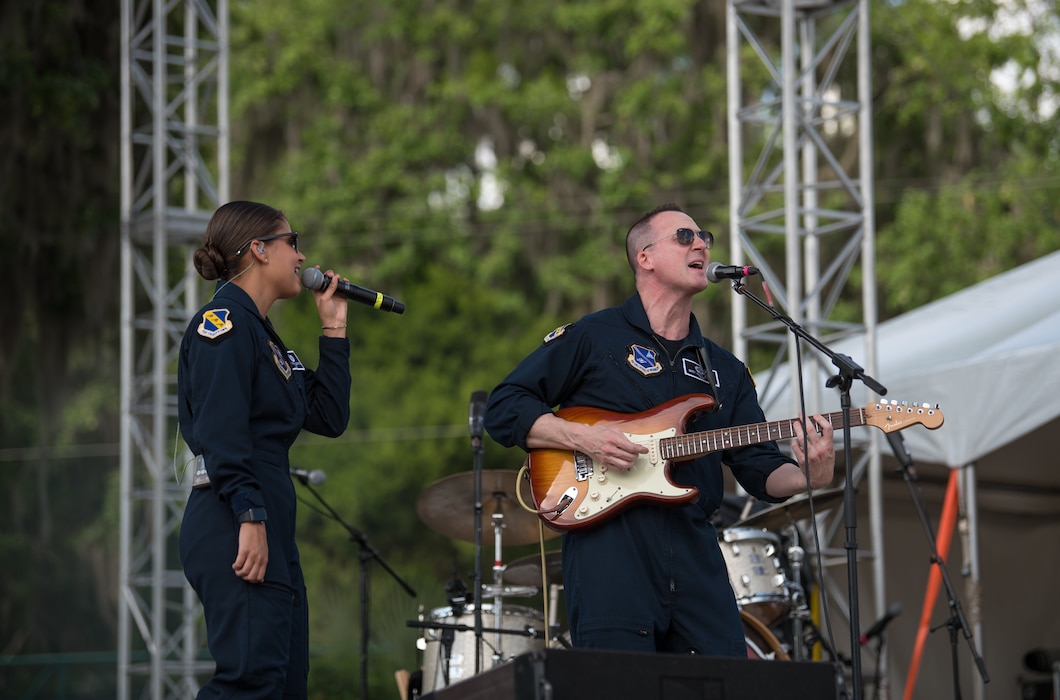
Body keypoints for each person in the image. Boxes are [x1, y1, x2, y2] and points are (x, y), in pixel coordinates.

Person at [484, 203, 835, 656]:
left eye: (704, 236)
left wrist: (812, 475)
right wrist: (584, 438)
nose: (702, 244)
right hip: (609, 553)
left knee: (726, 679)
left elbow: (761, 468)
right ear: (645, 257)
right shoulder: (594, 336)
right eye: (685, 237)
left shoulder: (723, 369)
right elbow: (504, 407)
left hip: (695, 552)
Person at [177, 200, 352, 699]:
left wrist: (333, 329)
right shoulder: (223, 324)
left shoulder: (265, 336)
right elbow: (221, 430)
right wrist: (249, 516)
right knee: (249, 684)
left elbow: (329, 417)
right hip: (234, 511)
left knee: (282, 685)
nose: (301, 257)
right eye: (291, 242)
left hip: (268, 512)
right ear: (258, 249)